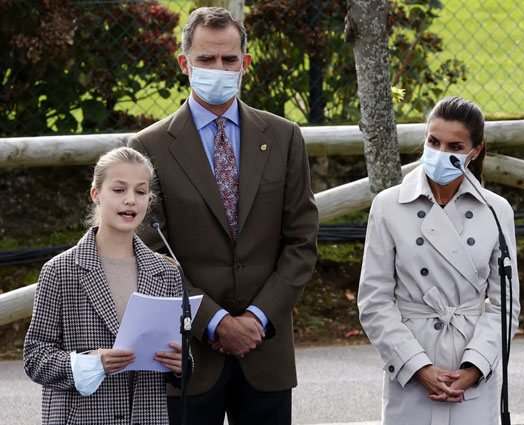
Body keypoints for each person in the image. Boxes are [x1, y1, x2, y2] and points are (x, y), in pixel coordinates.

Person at [128, 6, 318, 425]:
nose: (219, 68)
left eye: (229, 60)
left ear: (245, 63)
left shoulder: (284, 138)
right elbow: (148, 252)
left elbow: (301, 242)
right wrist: (213, 321)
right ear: (185, 63)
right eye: (206, 59)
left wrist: (258, 317)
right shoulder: (149, 147)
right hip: (187, 356)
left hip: (265, 352)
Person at [357, 96, 520, 424]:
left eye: (455, 146)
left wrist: (475, 366)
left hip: (472, 364)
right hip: (412, 361)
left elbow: (506, 304)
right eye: (434, 141)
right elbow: (374, 301)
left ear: (475, 151)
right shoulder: (389, 206)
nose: (441, 153)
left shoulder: (496, 210)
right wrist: (417, 365)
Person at [23, 147, 183, 424]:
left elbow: (179, 358)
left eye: (141, 192)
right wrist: (90, 364)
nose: (131, 200)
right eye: (119, 190)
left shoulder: (166, 272)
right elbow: (35, 357)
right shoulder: (59, 271)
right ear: (96, 194)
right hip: (81, 417)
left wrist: (182, 365)